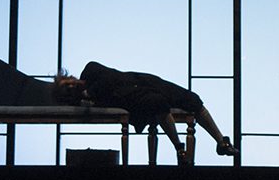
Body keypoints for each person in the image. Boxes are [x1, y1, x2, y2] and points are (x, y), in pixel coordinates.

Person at [56, 61, 237, 165]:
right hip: (133, 99)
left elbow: (108, 79)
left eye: (67, 83)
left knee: (192, 99)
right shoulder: (84, 101)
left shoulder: (90, 70)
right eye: (67, 89)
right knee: (157, 103)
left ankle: (221, 142)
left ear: (70, 77)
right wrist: (84, 97)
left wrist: (89, 93)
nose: (71, 86)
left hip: (141, 81)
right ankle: (179, 149)